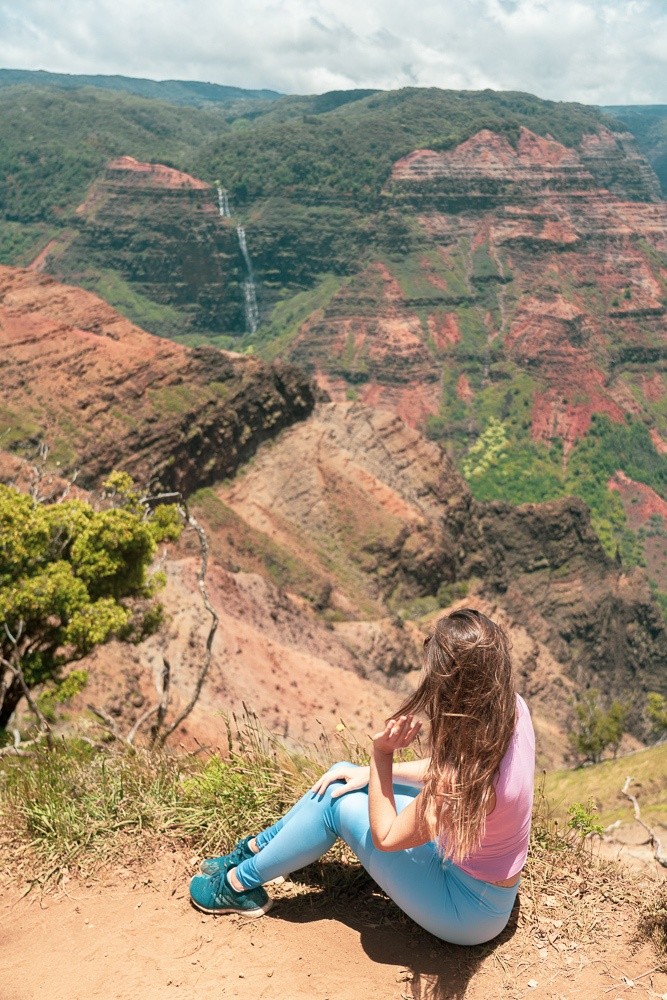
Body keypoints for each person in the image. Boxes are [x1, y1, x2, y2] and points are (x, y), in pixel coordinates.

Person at [189, 607, 535, 945]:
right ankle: (253, 852)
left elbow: (386, 836)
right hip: (477, 874)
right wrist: (370, 774)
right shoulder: (511, 709)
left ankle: (235, 885)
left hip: (468, 910)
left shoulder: (460, 783)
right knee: (343, 774)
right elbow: (452, 769)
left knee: (335, 806)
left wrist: (381, 756)